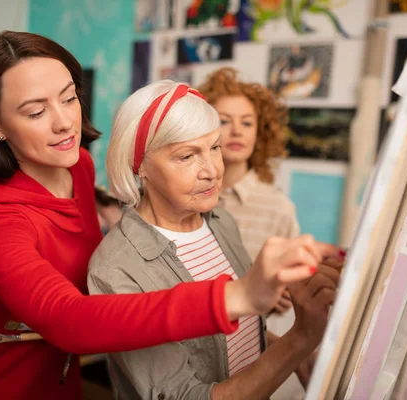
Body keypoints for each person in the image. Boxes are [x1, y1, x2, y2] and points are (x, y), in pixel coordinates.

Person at [0, 31, 330, 400]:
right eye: (36, 112)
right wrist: (236, 296)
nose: (65, 123)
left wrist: (264, 341)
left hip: (56, 380)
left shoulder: (76, 165)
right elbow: (68, 319)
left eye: (69, 97)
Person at [87, 80, 343, 399]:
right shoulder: (116, 270)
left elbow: (242, 336)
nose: (211, 170)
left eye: (214, 147)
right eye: (187, 156)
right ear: (140, 166)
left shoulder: (220, 221)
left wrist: (300, 355)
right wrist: (300, 340)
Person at [197, 67, 301, 262]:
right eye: (224, 121)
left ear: (259, 133)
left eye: (247, 123)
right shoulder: (185, 198)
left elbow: (288, 287)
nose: (237, 131)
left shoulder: (278, 208)